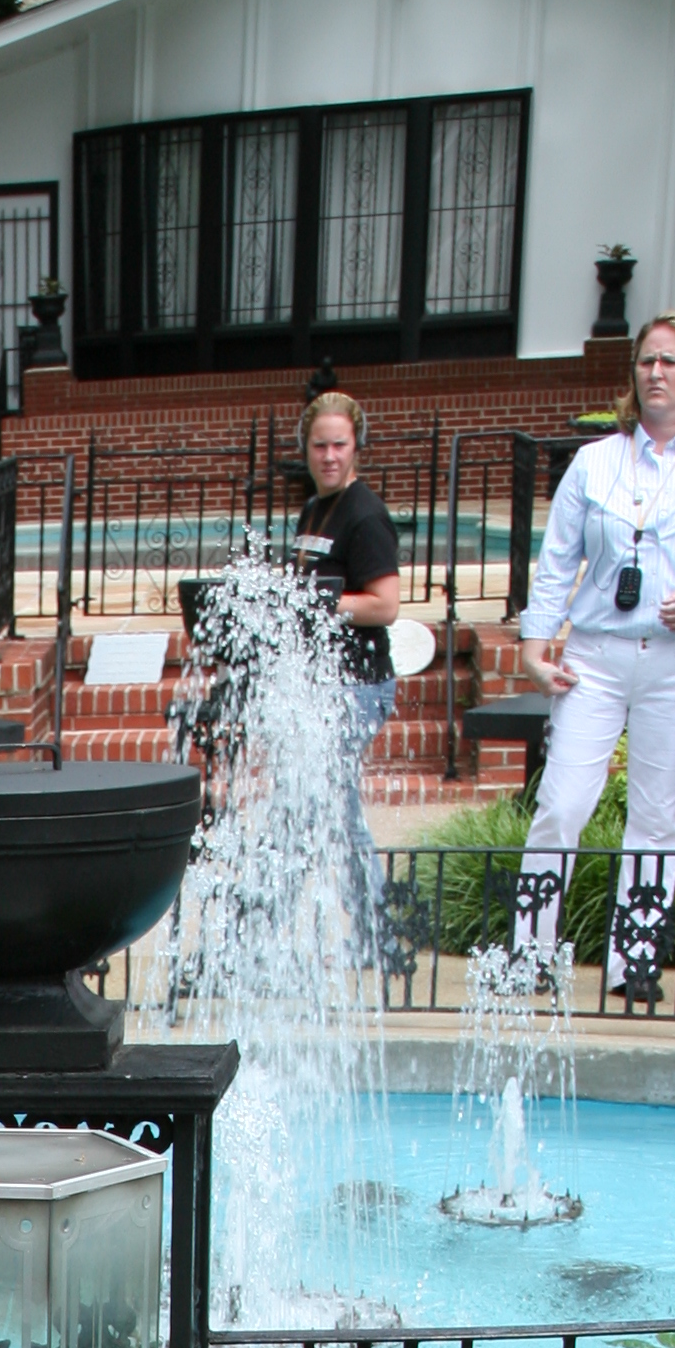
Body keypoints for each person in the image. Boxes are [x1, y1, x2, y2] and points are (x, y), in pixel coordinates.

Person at [514, 311, 675, 972]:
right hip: (595, 655)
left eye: (671, 362)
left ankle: (637, 961)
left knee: (656, 819)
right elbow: (557, 561)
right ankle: (528, 956)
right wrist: (535, 647)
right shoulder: (595, 462)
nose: (657, 373)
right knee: (561, 804)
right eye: (647, 361)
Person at [292, 385, 403, 947]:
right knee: (314, 803)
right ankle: (356, 927)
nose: (329, 456)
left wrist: (319, 604)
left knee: (332, 803)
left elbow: (385, 604)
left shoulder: (365, 515)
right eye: (319, 446)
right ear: (306, 449)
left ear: (356, 446)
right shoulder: (316, 508)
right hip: (322, 683)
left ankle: (374, 932)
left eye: (339, 445)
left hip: (358, 686)